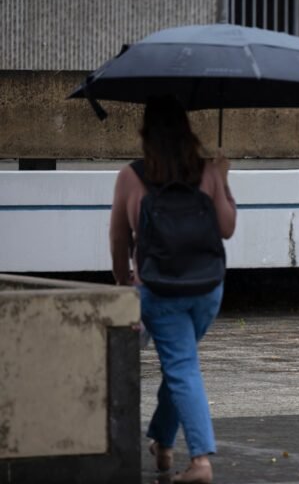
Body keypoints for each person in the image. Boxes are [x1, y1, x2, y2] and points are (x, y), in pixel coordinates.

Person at [110, 96, 237, 483]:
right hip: (207, 289)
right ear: (187, 130)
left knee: (180, 366)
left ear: (145, 133)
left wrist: (123, 287)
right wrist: (223, 180)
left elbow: (118, 240)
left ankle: (200, 462)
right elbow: (226, 228)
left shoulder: (131, 176)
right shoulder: (207, 171)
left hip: (158, 291)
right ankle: (163, 445)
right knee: (180, 366)